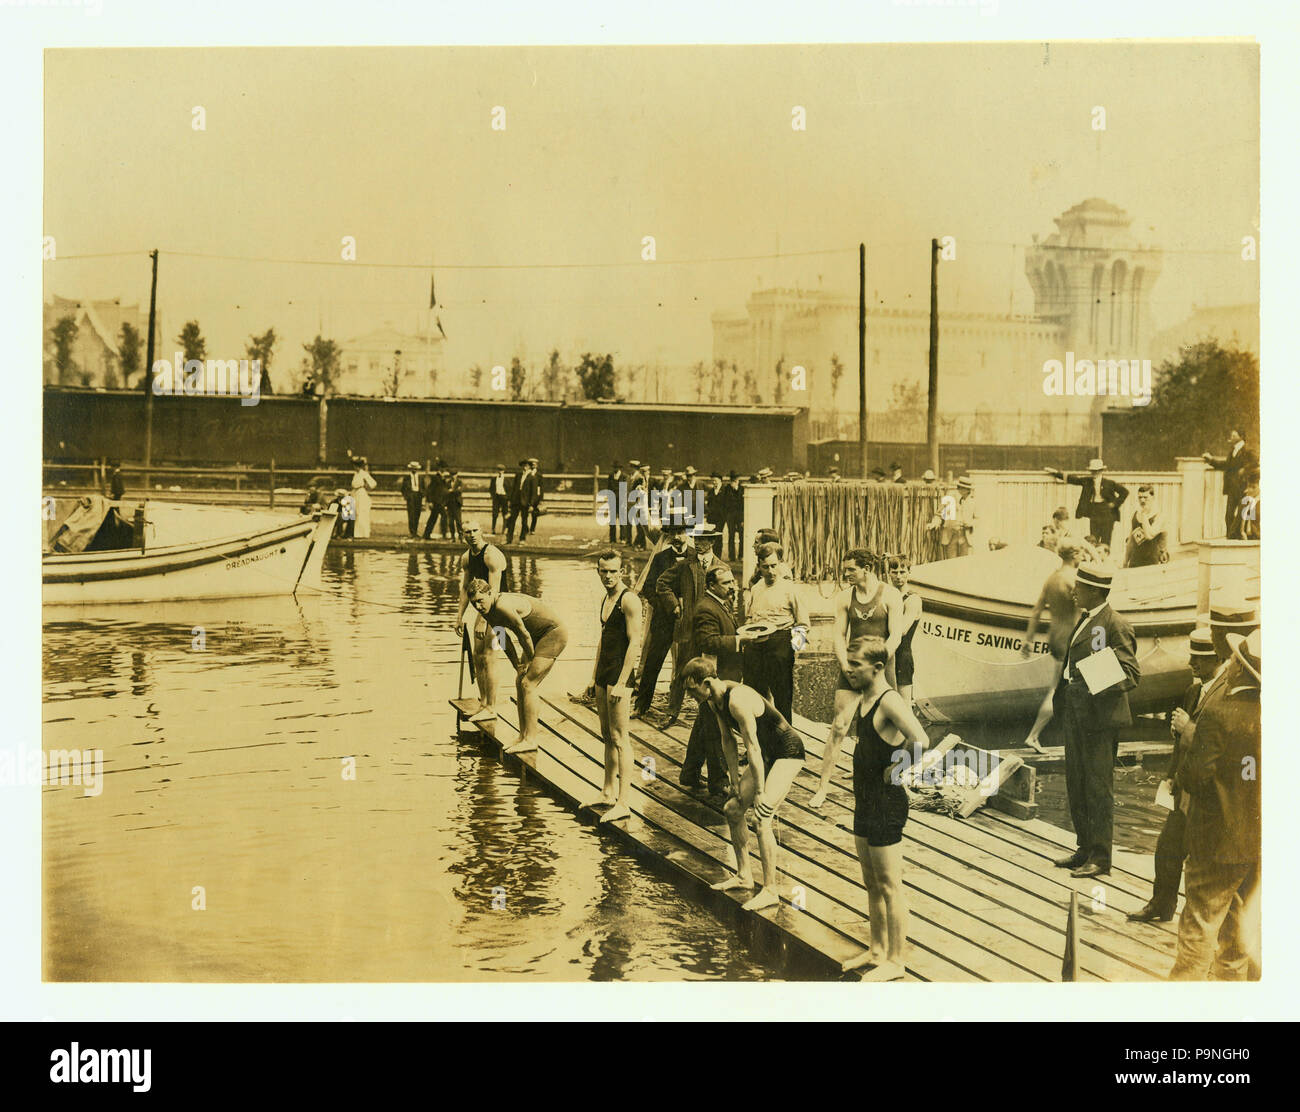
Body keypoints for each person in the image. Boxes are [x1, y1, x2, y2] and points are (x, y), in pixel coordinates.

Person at [1168, 628, 1260, 980]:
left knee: (1199, 924)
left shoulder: (1220, 713)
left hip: (1216, 840)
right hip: (1255, 843)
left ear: (1239, 668)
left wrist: (1190, 742)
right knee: (1237, 929)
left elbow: (1193, 777)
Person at [839, 635, 930, 981]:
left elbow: (921, 738)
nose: (849, 671)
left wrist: (900, 767)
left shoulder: (889, 700)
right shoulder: (865, 698)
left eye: (856, 665)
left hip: (886, 801)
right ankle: (877, 949)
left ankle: (896, 960)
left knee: (890, 884)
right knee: (871, 883)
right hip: (864, 798)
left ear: (877, 668)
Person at [683, 657, 806, 912]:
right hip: (767, 756)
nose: (691, 696)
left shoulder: (737, 699)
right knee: (733, 809)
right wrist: (735, 781)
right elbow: (728, 741)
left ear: (706, 683)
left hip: (787, 752)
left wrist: (759, 792)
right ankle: (744, 875)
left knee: (762, 818)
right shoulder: (714, 702)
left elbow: (752, 746)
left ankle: (770, 890)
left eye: (693, 691)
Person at [1051, 563, 1141, 878]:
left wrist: (1085, 678)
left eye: (1080, 587)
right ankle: (1085, 847)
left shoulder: (1115, 624)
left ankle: (1101, 857)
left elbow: (1130, 673)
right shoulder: (1087, 620)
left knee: (1098, 787)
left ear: (1094, 591)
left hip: (1098, 719)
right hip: (1076, 714)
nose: (1074, 592)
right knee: (1077, 782)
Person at [1128, 627, 1218, 923]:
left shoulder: (1221, 696)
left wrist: (1187, 726)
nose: (1193, 665)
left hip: (1207, 791)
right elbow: (1180, 745)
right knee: (1167, 847)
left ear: (1216, 660)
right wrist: (1169, 776)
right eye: (1192, 657)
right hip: (1183, 787)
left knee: (1202, 859)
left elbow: (1212, 741)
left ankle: (1200, 917)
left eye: (1199, 660)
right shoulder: (1193, 691)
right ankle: (1161, 904)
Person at [810, 549, 902, 810]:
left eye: (851, 569)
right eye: (846, 568)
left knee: (885, 728)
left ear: (867, 568)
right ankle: (822, 787)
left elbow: (896, 635)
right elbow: (839, 635)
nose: (846, 573)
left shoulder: (891, 595)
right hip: (853, 666)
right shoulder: (844, 597)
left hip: (882, 667)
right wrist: (844, 664)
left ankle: (887, 782)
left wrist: (879, 661)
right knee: (839, 727)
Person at [467, 579, 568, 754]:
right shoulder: (488, 610)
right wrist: (517, 666)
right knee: (520, 679)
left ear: (490, 593)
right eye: (474, 603)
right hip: (535, 636)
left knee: (528, 684)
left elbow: (523, 634)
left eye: (480, 601)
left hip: (553, 633)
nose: (478, 606)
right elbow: (503, 640)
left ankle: (531, 739)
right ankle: (522, 736)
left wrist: (528, 661)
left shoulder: (503, 606)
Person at [681, 563, 755, 802]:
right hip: (715, 676)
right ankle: (718, 782)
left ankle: (690, 773)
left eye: (732, 581)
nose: (732, 586)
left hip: (719, 674)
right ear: (711, 585)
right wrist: (739, 641)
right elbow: (708, 642)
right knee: (714, 729)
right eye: (726, 583)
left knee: (704, 723)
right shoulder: (706, 608)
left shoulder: (719, 603)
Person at [581, 549, 642, 824]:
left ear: (622, 571)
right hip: (606, 672)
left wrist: (621, 682)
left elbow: (635, 643)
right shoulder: (606, 598)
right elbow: (603, 641)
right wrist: (594, 677)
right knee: (606, 735)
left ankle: (624, 801)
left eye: (613, 571)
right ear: (598, 571)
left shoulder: (629, 600)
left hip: (620, 675)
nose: (608, 576)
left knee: (620, 738)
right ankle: (607, 792)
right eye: (603, 571)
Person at [657, 524, 726, 727]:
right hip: (688, 629)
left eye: (704, 540)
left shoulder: (723, 568)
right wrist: (674, 606)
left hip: (711, 631)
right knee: (681, 672)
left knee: (712, 674)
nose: (699, 543)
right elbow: (662, 583)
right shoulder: (685, 565)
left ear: (712, 542)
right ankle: (672, 712)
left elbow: (728, 599)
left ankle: (713, 715)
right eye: (696, 539)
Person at [1020, 542, 1083, 752]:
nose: (1082, 556)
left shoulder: (1052, 578)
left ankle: (1041, 735)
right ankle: (1034, 735)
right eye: (1080, 552)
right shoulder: (1073, 579)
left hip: (1055, 636)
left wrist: (1028, 640)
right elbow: (1086, 611)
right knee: (1060, 689)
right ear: (1074, 554)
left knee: (1067, 687)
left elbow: (1037, 610)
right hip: (1071, 638)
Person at [742, 541, 810, 725]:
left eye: (774, 566)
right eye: (766, 567)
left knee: (782, 698)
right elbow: (749, 619)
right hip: (756, 645)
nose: (771, 571)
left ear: (780, 563)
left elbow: (803, 623)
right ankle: (761, 743)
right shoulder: (756, 589)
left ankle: (785, 742)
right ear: (759, 567)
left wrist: (793, 651)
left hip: (781, 643)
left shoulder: (790, 589)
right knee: (755, 696)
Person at [633, 524, 691, 719]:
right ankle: (642, 705)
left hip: (688, 621)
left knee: (686, 663)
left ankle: (678, 708)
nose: (677, 537)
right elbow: (648, 589)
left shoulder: (696, 557)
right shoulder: (660, 559)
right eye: (673, 533)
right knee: (653, 661)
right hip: (664, 619)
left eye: (680, 533)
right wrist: (667, 606)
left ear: (687, 534)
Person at [454, 520, 509, 723]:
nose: (472, 534)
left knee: (490, 657)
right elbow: (465, 587)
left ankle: (492, 707)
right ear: (462, 534)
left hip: (503, 609)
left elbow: (493, 593)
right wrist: (459, 616)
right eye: (467, 531)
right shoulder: (467, 557)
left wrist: (483, 621)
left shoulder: (491, 555)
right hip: (485, 609)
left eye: (475, 530)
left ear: (482, 531)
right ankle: (484, 703)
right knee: (478, 656)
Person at [1045, 458, 1129, 550]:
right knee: (1093, 538)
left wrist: (1114, 504)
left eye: (1097, 471)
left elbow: (1125, 492)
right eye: (1093, 471)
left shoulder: (1109, 483)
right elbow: (1073, 479)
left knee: (1106, 538)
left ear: (1101, 471)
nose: (1094, 473)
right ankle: (1093, 558)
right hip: (1094, 511)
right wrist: (1056, 473)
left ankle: (1104, 559)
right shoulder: (1087, 481)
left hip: (1107, 512)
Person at [1203, 428, 1257, 539]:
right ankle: (1230, 537)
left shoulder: (1247, 450)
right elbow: (1227, 465)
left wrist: (1244, 470)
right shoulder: (1233, 450)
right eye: (1231, 435)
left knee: (1242, 515)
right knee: (1229, 515)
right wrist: (1211, 460)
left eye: (1234, 435)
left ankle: (1239, 537)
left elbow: (1256, 462)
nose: (1231, 437)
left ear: (1240, 437)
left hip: (1243, 487)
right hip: (1232, 488)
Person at [886, 555, 922, 708]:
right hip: (887, 655)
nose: (898, 576)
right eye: (894, 572)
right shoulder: (887, 596)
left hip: (902, 657)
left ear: (909, 572)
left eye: (902, 572)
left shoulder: (912, 599)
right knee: (886, 703)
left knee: (904, 705)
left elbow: (902, 631)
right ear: (889, 574)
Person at [928, 476, 976, 558]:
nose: (969, 492)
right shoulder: (949, 499)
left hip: (965, 537)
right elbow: (938, 514)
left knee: (965, 563)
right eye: (967, 489)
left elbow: (977, 519)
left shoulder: (972, 501)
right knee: (950, 563)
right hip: (950, 537)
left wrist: (971, 523)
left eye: (969, 489)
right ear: (960, 488)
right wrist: (934, 523)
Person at [1124, 484, 1167, 567]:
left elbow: (1149, 536)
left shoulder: (1160, 516)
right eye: (1140, 497)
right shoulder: (1135, 515)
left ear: (1153, 497)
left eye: (1145, 497)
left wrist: (1144, 515)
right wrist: (1125, 562)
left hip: (1153, 561)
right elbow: (1131, 542)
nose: (1142, 500)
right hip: (1135, 560)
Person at [348, 455, 377, 539]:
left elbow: (373, 483)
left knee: (361, 513)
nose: (354, 467)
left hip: (361, 494)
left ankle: (362, 533)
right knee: (356, 513)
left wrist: (366, 486)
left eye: (356, 466)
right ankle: (356, 533)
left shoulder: (364, 473)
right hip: (355, 494)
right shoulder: (355, 474)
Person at [505, 459, 532, 543]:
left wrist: (531, 504)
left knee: (524, 521)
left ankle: (522, 539)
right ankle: (509, 539)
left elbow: (533, 492)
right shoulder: (518, 475)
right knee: (512, 520)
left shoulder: (532, 477)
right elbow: (514, 488)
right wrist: (510, 499)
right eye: (523, 465)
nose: (525, 467)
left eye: (526, 465)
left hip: (525, 502)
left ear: (529, 467)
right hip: (516, 501)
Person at [422, 465, 448, 540]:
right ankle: (443, 534)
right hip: (436, 502)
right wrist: (429, 501)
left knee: (433, 518)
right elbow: (429, 490)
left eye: (444, 468)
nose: (444, 469)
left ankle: (426, 534)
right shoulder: (435, 478)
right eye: (443, 468)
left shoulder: (443, 478)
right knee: (444, 516)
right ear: (440, 468)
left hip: (441, 501)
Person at [605, 461, 627, 545]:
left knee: (622, 521)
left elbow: (624, 490)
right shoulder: (610, 476)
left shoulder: (624, 477)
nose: (615, 469)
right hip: (612, 501)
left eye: (617, 467)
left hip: (621, 501)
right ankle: (612, 539)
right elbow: (608, 488)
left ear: (620, 468)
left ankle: (622, 538)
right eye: (614, 467)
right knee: (612, 521)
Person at [401, 461, 424, 537]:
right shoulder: (407, 478)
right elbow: (403, 488)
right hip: (411, 496)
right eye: (413, 468)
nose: (414, 470)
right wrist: (406, 496)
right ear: (410, 469)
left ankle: (415, 531)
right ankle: (412, 532)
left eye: (415, 468)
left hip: (418, 496)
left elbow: (423, 487)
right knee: (411, 514)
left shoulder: (420, 477)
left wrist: (422, 494)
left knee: (417, 513)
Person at [489, 464, 510, 535]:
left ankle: (505, 529)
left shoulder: (507, 480)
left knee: (505, 514)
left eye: (502, 470)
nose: (500, 472)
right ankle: (493, 529)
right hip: (496, 498)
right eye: (499, 470)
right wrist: (493, 496)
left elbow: (510, 490)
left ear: (504, 471)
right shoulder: (494, 479)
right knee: (495, 514)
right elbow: (491, 488)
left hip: (504, 497)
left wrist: (508, 498)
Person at [444, 470, 464, 541]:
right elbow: (445, 492)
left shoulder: (459, 482)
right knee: (451, 522)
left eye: (454, 474)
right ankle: (452, 537)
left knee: (458, 521)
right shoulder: (448, 482)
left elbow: (459, 491)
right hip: (449, 504)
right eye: (451, 475)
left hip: (457, 503)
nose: (453, 476)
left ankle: (461, 536)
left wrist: (451, 491)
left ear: (457, 475)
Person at [527, 458, 544, 535]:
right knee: (525, 514)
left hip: (536, 496)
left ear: (537, 465)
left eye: (534, 464)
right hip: (527, 496)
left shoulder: (539, 475)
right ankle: (526, 528)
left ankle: (532, 529)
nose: (533, 466)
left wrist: (541, 498)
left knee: (534, 514)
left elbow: (541, 487)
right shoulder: (527, 474)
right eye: (531, 464)